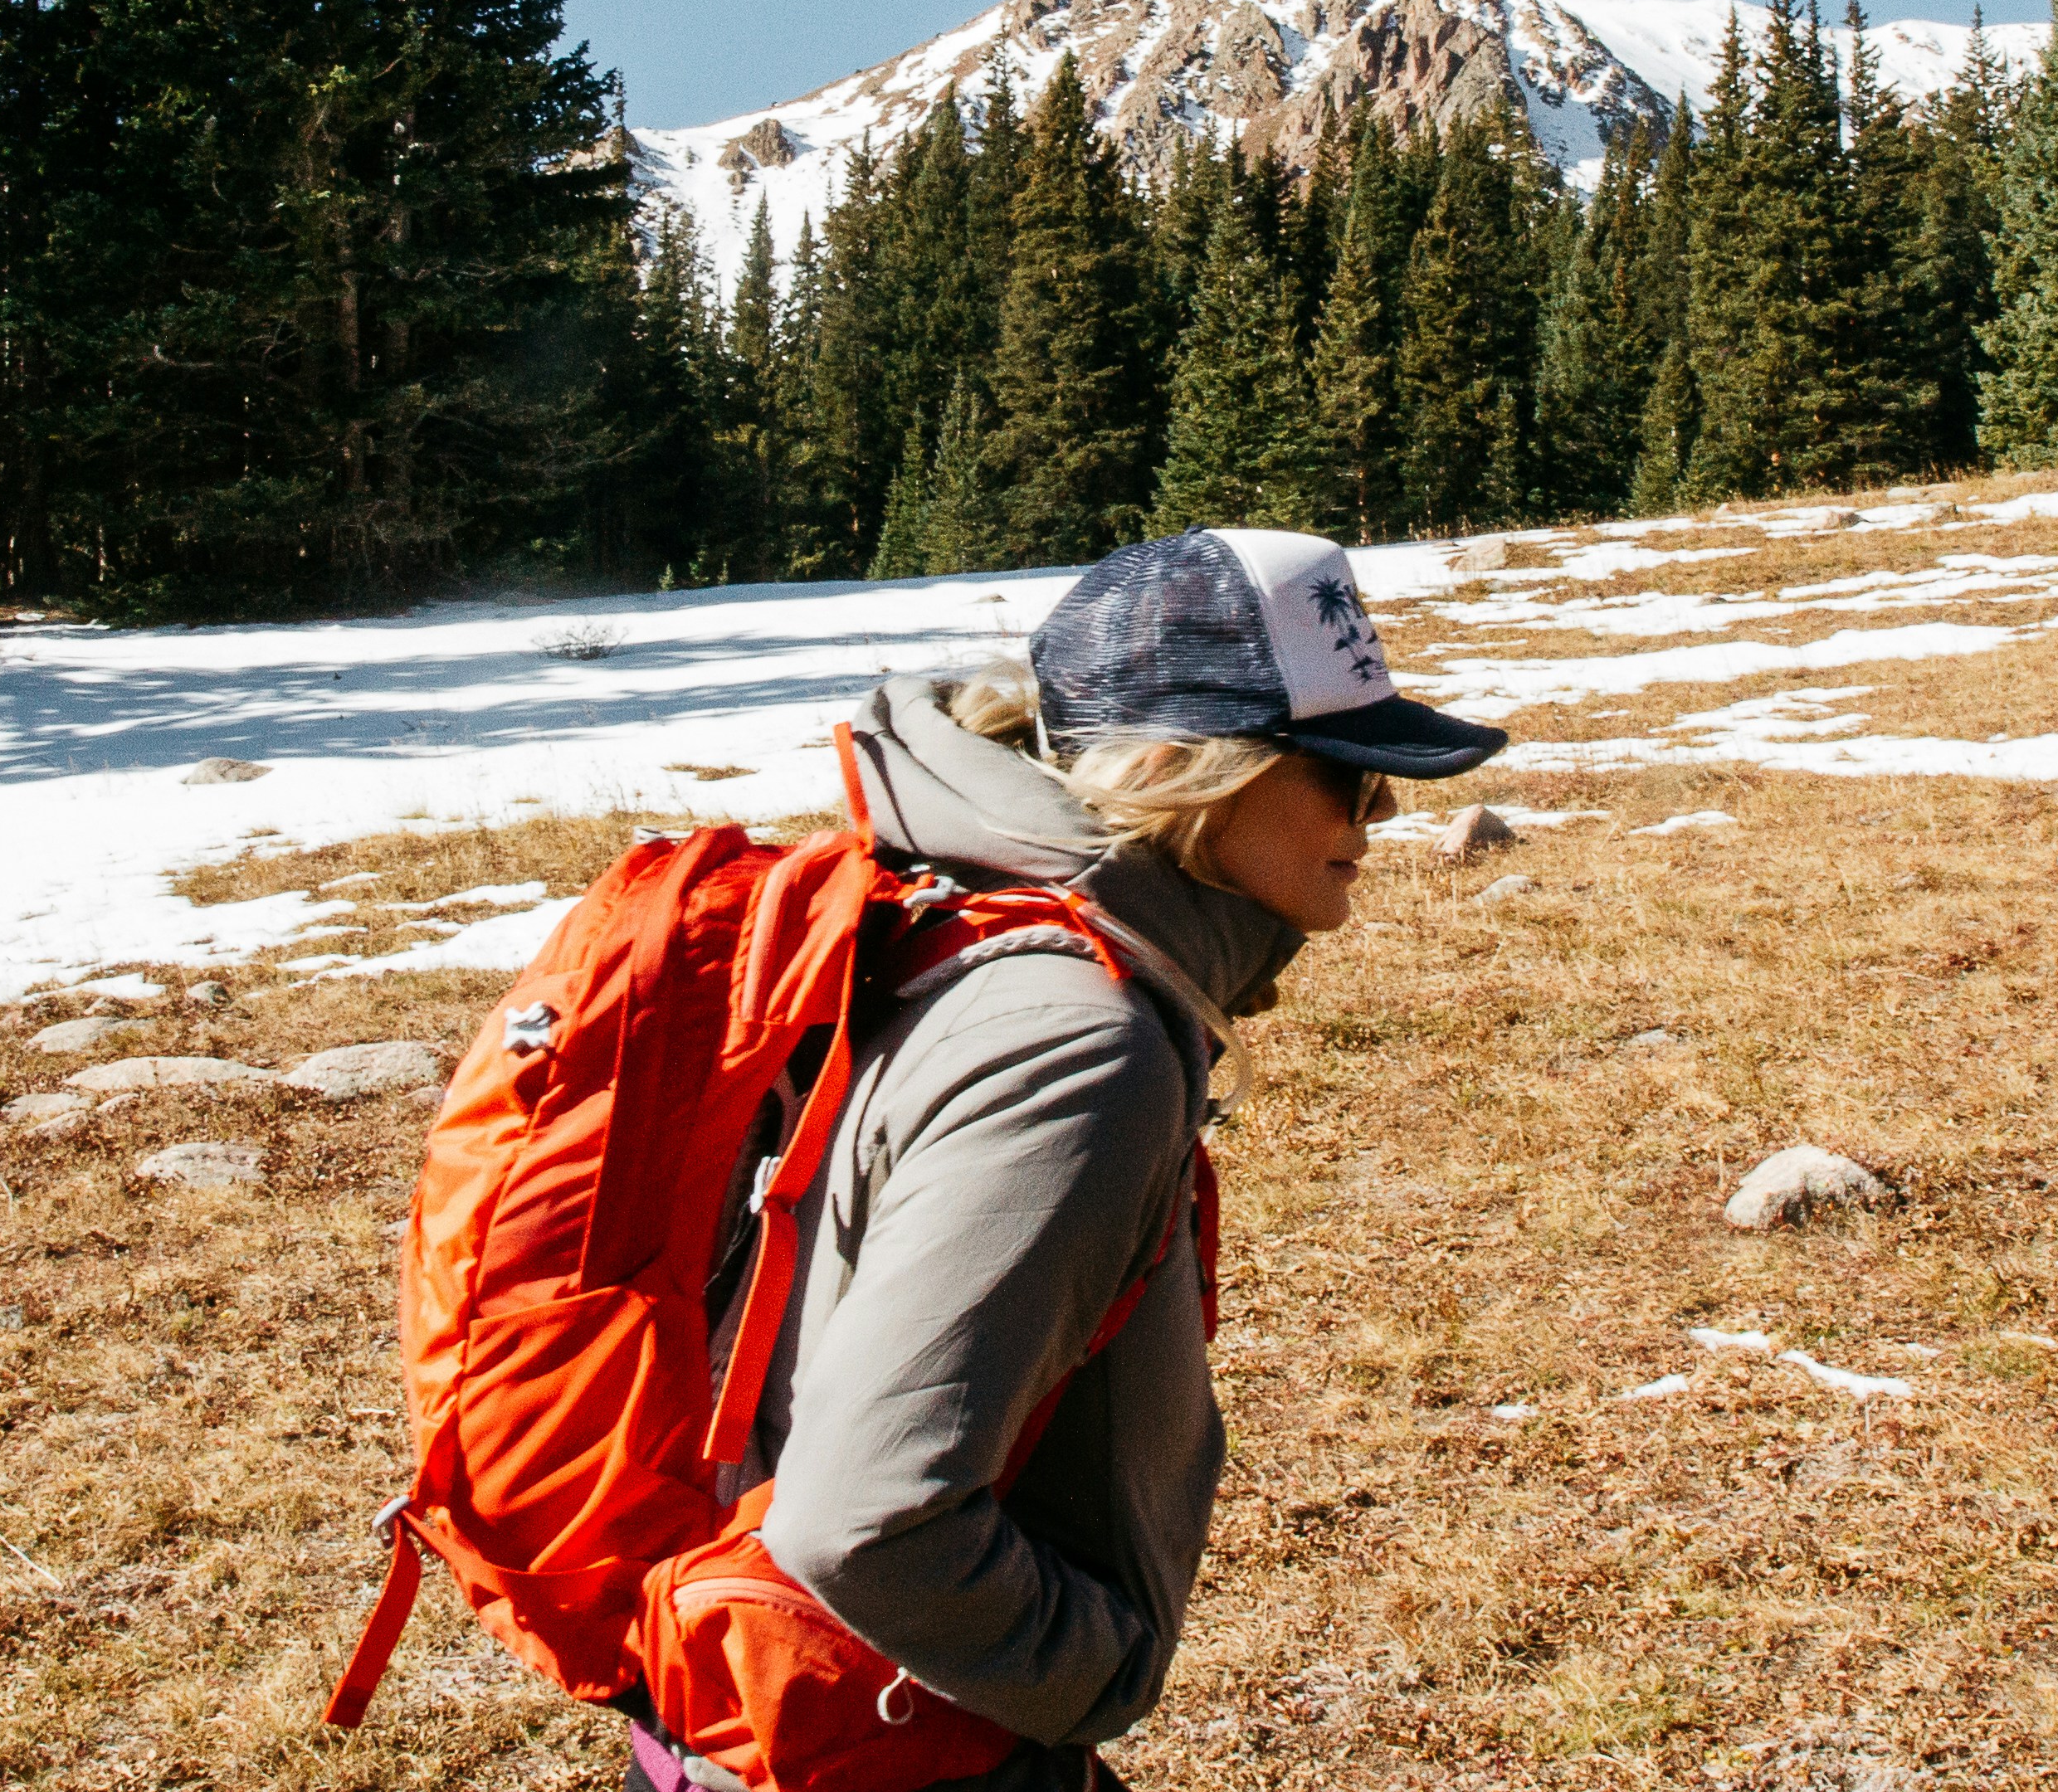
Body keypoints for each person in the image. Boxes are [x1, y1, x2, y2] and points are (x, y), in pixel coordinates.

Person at [632, 525, 1507, 1791]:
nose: (1381, 814)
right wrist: (1092, 1679)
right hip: (899, 1746)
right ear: (1180, 769)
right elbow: (869, 1520)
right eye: (1344, 775)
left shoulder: (962, 914)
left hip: (782, 1716)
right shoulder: (1077, 1038)